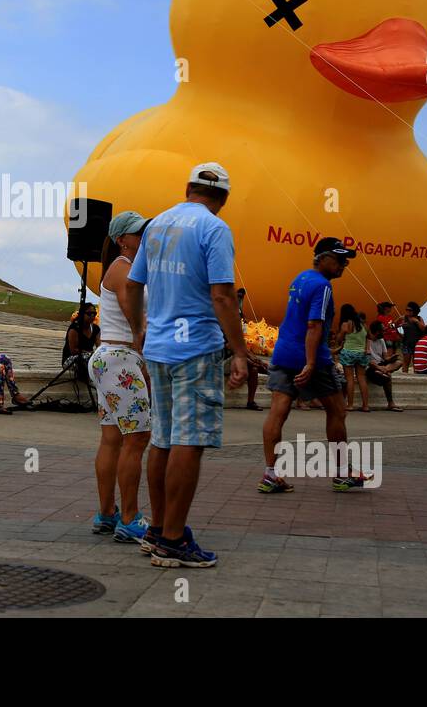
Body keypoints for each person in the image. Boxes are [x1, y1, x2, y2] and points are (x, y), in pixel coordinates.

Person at [121, 162, 247, 568]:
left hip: (158, 347)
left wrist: (140, 326)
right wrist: (240, 352)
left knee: (162, 438)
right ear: (223, 199)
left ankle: (158, 529)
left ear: (188, 188)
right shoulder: (214, 229)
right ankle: (173, 539)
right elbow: (223, 297)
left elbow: (131, 283)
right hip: (195, 348)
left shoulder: (156, 225)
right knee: (189, 441)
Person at [261, 237, 367, 495]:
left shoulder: (300, 278)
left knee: (278, 412)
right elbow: (314, 325)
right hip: (312, 357)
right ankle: (342, 474)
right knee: (337, 411)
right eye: (340, 259)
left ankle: (270, 475)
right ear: (323, 258)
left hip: (284, 352)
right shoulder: (323, 287)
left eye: (346, 260)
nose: (344, 264)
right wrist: (310, 363)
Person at [88, 211, 153, 543]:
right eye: (138, 233)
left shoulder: (120, 268)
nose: (144, 237)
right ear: (121, 240)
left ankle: (107, 512)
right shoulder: (123, 268)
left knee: (112, 438)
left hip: (108, 358)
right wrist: (143, 352)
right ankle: (130, 517)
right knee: (137, 438)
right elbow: (136, 318)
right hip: (122, 358)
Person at [335, 304, 371, 412]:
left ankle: (350, 405)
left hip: (348, 353)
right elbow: (369, 337)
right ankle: (365, 406)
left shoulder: (346, 324)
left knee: (349, 379)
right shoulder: (363, 325)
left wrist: (341, 334)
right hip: (361, 354)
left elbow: (339, 340)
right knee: (362, 379)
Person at [363, 320, 404, 411]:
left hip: (381, 365)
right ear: (377, 331)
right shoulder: (366, 341)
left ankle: (384, 370)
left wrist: (392, 358)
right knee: (387, 378)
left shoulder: (381, 340)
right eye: (382, 330)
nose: (384, 332)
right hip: (370, 366)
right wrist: (378, 367)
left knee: (399, 362)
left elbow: (385, 358)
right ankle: (391, 403)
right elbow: (367, 360)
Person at [62, 305, 101, 381]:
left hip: (89, 358)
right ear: (82, 314)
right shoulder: (75, 328)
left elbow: (99, 346)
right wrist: (90, 353)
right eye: (89, 313)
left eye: (94, 313)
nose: (92, 315)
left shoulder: (96, 329)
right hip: (71, 359)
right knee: (89, 359)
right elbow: (73, 350)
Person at [400, 302, 424, 373]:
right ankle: (404, 377)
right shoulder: (404, 318)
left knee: (416, 363)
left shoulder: (419, 318)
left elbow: (424, 329)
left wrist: (416, 321)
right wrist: (399, 334)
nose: (408, 311)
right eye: (406, 310)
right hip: (406, 343)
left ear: (415, 311)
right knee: (406, 362)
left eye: (410, 310)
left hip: (417, 343)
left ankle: (416, 377)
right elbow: (394, 325)